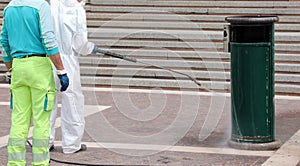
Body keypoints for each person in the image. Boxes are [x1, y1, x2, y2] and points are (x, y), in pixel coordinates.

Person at [1, 0, 69, 165]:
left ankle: (15, 163)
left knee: (19, 120)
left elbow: (4, 42)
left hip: (18, 67)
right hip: (39, 67)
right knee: (41, 120)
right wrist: (61, 70)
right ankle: (40, 162)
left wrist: (11, 69)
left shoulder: (9, 7)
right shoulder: (41, 6)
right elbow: (48, 39)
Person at [49, 0, 97, 154]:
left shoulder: (52, 5)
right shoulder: (77, 9)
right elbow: (80, 43)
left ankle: (44, 141)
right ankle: (71, 144)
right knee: (73, 101)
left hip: (49, 58)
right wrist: (90, 48)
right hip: (68, 60)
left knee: (48, 100)